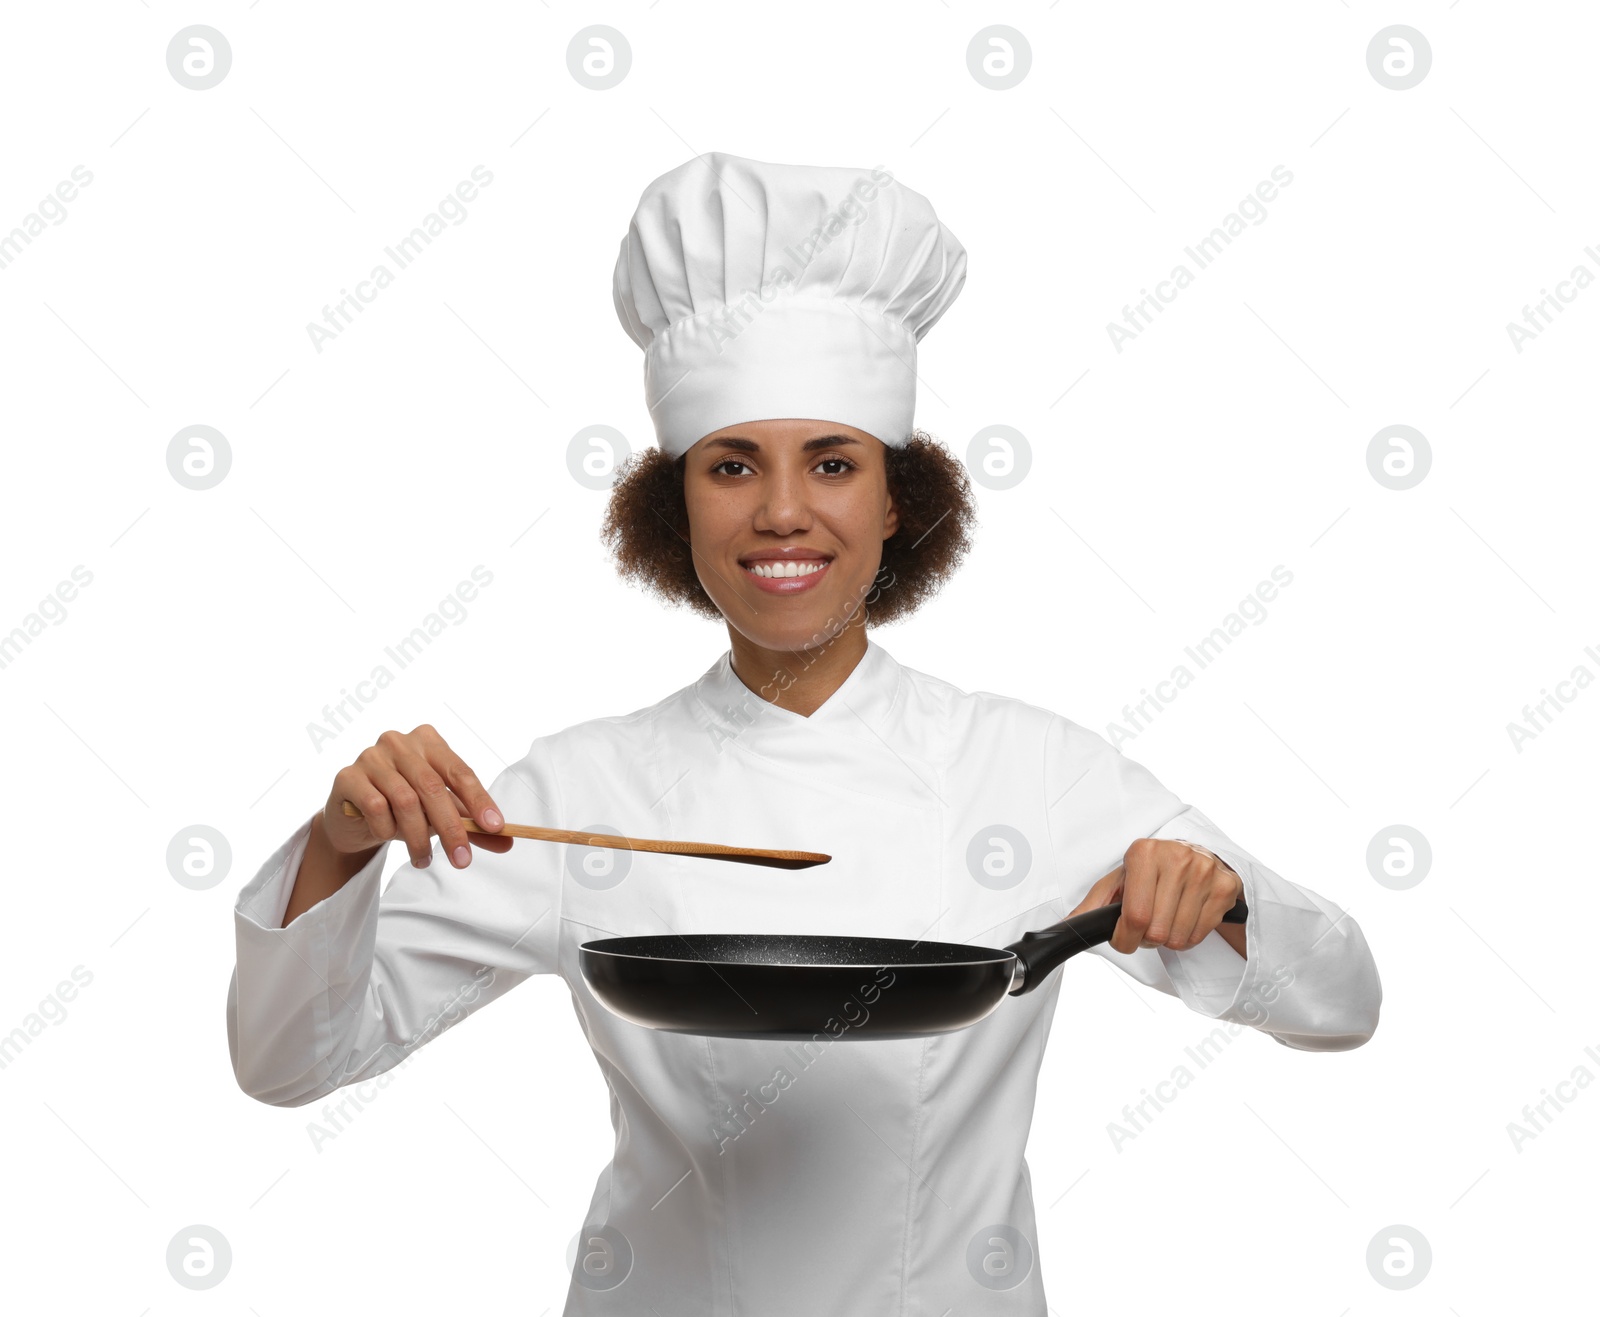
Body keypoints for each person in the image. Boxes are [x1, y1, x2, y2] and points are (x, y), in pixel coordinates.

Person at [228, 152, 1381, 1315]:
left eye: (831, 463)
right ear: (677, 503)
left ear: (895, 500)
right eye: (732, 466)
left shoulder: (1033, 772)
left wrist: (1219, 898)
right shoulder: (582, 788)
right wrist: (341, 845)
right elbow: (288, 1065)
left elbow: (1341, 1003)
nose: (782, 510)